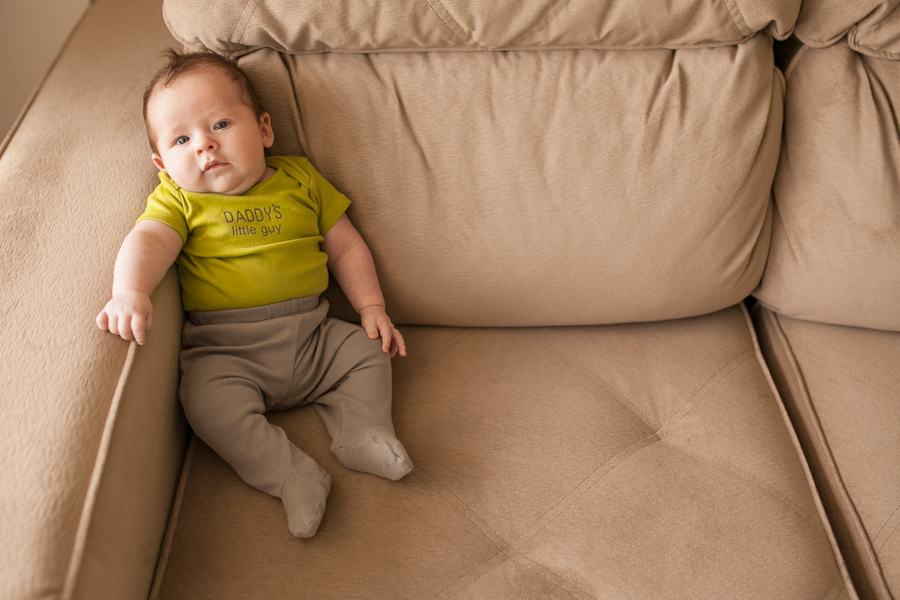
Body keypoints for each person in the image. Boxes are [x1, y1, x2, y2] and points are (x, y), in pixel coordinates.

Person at [96, 49, 413, 538]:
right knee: (204, 402)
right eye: (182, 139)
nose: (204, 146)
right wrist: (129, 291)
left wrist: (372, 307)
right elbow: (148, 241)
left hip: (314, 334)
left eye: (220, 124)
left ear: (264, 130)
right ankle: (291, 475)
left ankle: (362, 432)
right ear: (163, 164)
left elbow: (347, 247)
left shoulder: (300, 178)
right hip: (227, 350)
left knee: (370, 352)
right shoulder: (179, 199)